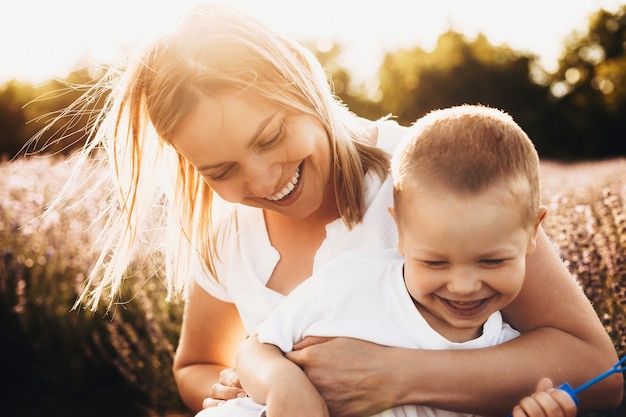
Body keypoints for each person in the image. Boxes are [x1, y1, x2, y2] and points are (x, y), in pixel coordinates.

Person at [61, 4, 621, 416]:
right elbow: (194, 367)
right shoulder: (225, 231)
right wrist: (257, 383)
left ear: (303, 85)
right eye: (219, 171)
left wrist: (400, 378)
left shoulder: (427, 178)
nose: (263, 180)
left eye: (270, 136)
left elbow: (595, 369)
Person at [194, 104, 578, 417]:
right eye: (436, 263)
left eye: (492, 262)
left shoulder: (506, 355)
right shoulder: (353, 280)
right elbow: (254, 347)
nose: (463, 285)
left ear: (533, 234)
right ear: (401, 233)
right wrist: (281, 381)